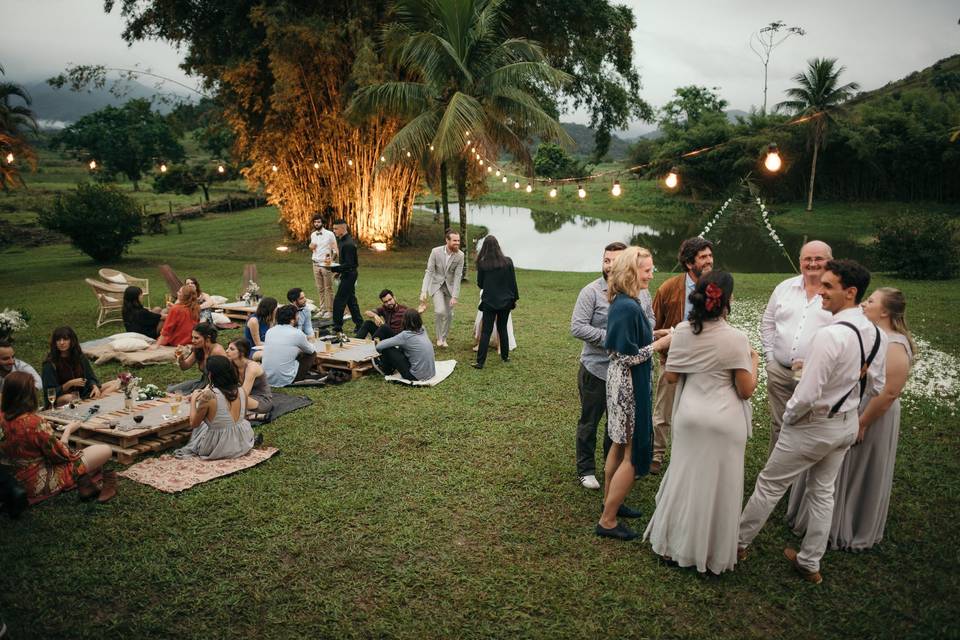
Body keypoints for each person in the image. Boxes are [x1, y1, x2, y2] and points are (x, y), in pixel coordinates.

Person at [738, 259, 887, 584]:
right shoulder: (877, 335)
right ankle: (810, 562)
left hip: (812, 425)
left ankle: (736, 544)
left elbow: (805, 396)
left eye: (829, 286)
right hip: (846, 424)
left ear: (850, 293)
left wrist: (790, 419)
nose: (820, 291)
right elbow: (875, 385)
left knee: (769, 484)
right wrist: (846, 380)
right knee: (823, 491)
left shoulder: (829, 336)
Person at [642, 272, 759, 574]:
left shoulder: (682, 331)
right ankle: (708, 553)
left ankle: (670, 546)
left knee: (684, 479)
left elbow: (671, 376)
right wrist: (754, 362)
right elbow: (745, 390)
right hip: (723, 421)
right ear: (727, 301)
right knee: (718, 486)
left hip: (690, 417)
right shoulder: (737, 339)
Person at [786, 287, 915, 551]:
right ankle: (823, 521)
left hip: (873, 413)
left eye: (871, 301)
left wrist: (864, 422)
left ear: (885, 311)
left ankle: (849, 522)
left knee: (857, 468)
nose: (864, 304)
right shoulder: (869, 333)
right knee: (837, 468)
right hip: (854, 404)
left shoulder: (895, 344)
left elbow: (889, 392)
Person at [596, 247, 672, 541]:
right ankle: (608, 519)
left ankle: (610, 501)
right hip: (628, 383)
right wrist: (659, 346)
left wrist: (655, 334)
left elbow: (628, 339)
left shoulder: (625, 301)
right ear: (631, 272)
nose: (652, 275)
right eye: (647, 270)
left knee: (617, 444)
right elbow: (626, 355)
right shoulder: (627, 306)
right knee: (631, 451)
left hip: (620, 381)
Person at [571, 243, 657, 490]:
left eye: (614, 261)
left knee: (617, 426)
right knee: (590, 421)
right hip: (596, 369)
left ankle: (615, 469)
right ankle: (586, 469)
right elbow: (577, 327)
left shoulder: (641, 293)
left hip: (626, 374)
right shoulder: (591, 292)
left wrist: (642, 331)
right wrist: (612, 337)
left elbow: (649, 318)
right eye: (606, 260)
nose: (609, 265)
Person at [761, 241, 834, 452]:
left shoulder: (837, 292)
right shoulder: (784, 288)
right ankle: (777, 478)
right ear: (800, 261)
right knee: (779, 425)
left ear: (830, 261)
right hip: (780, 372)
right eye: (807, 259)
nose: (812, 263)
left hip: (817, 376)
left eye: (818, 259)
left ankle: (802, 480)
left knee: (811, 427)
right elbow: (768, 322)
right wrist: (770, 358)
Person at [0, 372, 116, 504]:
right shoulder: (35, 423)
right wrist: (67, 431)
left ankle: (87, 481)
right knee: (104, 449)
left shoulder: (2, 416)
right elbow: (61, 456)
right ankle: (94, 481)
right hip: (35, 482)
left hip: (8, 479)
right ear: (30, 394)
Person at [650, 237, 714, 475]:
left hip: (705, 362)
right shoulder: (668, 288)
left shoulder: (715, 289)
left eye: (710, 256)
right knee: (664, 410)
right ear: (689, 263)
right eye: (703, 257)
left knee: (698, 411)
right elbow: (653, 325)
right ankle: (656, 454)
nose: (709, 261)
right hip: (672, 359)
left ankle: (690, 454)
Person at [174, 356, 257, 460]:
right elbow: (242, 417)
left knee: (202, 424)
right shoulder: (241, 390)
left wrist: (194, 399)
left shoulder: (208, 397)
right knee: (211, 421)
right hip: (243, 441)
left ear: (210, 375)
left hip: (219, 448)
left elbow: (194, 423)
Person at [472, 235, 519, 369]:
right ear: (498, 246)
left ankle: (480, 362)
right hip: (505, 302)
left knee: (486, 331)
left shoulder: (482, 264)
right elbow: (512, 283)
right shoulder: (508, 262)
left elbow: (480, 284)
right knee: (502, 328)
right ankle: (505, 357)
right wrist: (514, 299)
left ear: (485, 248)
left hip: (489, 302)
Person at [41, 326, 117, 405]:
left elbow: (90, 377)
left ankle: (95, 402)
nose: (62, 342)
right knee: (71, 398)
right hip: (62, 398)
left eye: (65, 339)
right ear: (55, 343)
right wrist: (69, 384)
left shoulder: (80, 357)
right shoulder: (50, 364)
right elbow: (50, 393)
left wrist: (94, 386)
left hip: (84, 394)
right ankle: (97, 402)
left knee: (116, 383)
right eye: (58, 340)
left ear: (72, 341)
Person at [420, 229, 465, 348]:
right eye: (454, 240)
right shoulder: (435, 252)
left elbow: (457, 276)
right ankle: (439, 338)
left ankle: (444, 338)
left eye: (458, 241)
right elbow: (429, 271)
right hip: (436, 286)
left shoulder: (460, 255)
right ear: (447, 240)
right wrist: (423, 291)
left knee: (450, 314)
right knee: (440, 311)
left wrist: (455, 296)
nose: (457, 243)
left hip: (450, 288)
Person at [262, 304, 318, 387]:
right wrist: (309, 342)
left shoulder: (270, 331)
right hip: (286, 380)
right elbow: (311, 350)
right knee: (312, 354)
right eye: (297, 315)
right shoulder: (297, 333)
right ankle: (300, 375)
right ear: (292, 320)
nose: (298, 317)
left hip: (266, 378)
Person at [373, 309, 436, 381]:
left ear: (404, 321)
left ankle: (387, 370)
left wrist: (378, 342)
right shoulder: (423, 329)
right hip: (431, 373)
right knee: (399, 346)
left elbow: (379, 346)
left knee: (388, 349)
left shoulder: (405, 335)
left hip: (415, 376)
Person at [168, 323, 227, 394]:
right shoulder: (199, 349)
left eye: (196, 338)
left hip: (216, 386)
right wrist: (181, 359)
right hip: (202, 382)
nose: (192, 341)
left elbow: (227, 375)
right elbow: (185, 366)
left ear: (208, 338)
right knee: (172, 391)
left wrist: (206, 391)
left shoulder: (217, 351)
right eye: (192, 337)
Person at [226, 339, 274, 416]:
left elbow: (243, 394)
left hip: (261, 401)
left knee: (231, 401)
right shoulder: (232, 364)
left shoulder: (252, 367)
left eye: (231, 349)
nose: (227, 351)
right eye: (228, 348)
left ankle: (245, 415)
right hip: (246, 398)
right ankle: (249, 415)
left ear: (241, 353)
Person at [331, 219, 362, 335]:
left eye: (336, 229)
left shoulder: (348, 244)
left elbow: (350, 264)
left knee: (339, 301)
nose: (334, 231)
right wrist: (338, 271)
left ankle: (337, 327)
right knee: (351, 300)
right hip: (347, 274)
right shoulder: (342, 241)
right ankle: (359, 323)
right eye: (333, 228)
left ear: (343, 228)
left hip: (350, 275)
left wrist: (334, 268)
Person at [309, 212, 338, 319]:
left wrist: (332, 260)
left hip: (325, 265)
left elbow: (335, 250)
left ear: (323, 223)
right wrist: (311, 247)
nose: (316, 224)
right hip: (315, 264)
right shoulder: (313, 234)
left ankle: (330, 310)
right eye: (315, 222)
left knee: (328, 288)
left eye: (318, 222)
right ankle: (322, 309)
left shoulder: (330, 234)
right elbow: (313, 248)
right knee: (320, 288)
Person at [244, 297, 278, 361]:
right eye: (276, 307)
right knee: (268, 354)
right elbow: (258, 343)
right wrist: (275, 346)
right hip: (253, 349)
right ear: (271, 309)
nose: (277, 309)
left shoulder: (269, 319)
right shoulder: (254, 321)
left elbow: (273, 337)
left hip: (266, 346)